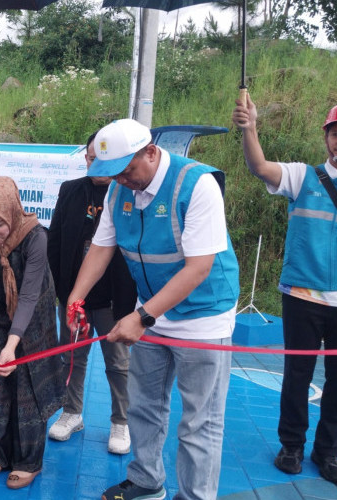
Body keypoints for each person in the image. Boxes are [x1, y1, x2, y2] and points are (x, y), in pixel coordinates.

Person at [67, 119, 239, 500]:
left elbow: (199, 268)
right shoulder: (118, 191)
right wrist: (76, 296)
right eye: (114, 174)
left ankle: (195, 496)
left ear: (150, 152)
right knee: (144, 405)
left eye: (128, 170)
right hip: (151, 312)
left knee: (199, 421)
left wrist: (142, 317)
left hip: (203, 318)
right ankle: (146, 480)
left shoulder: (197, 185)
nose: (122, 180)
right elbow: (101, 247)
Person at [232, 97, 337, 485]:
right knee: (298, 375)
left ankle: (328, 453)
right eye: (335, 133)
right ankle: (291, 446)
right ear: (326, 138)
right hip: (302, 296)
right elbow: (260, 167)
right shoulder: (303, 176)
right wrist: (250, 128)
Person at [0, 176, 65, 490]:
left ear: (12, 214)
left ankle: (28, 461)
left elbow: (30, 296)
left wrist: (12, 345)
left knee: (28, 388)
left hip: (34, 318)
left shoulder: (35, 236)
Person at [47, 131, 136, 454]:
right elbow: (55, 241)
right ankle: (72, 412)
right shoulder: (70, 190)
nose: (95, 165)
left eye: (102, 160)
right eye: (90, 158)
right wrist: (63, 292)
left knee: (118, 364)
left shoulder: (127, 193)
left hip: (114, 299)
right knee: (71, 358)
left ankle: (121, 421)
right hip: (75, 298)